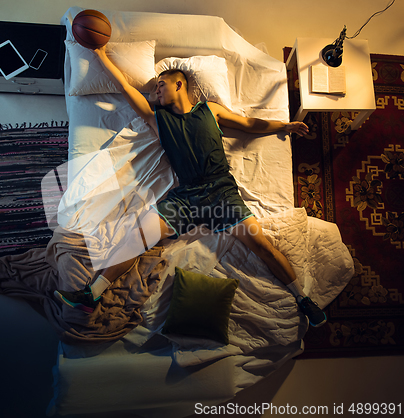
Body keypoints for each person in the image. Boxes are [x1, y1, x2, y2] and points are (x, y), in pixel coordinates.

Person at [55, 46, 327, 327]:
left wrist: (284, 126)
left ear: (179, 83)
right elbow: (123, 86)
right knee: (135, 237)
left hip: (221, 192)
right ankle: (91, 294)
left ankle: (303, 299)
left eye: (160, 86)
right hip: (185, 198)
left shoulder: (209, 110)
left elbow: (247, 123)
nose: (156, 92)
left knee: (261, 245)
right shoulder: (158, 119)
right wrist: (99, 53)